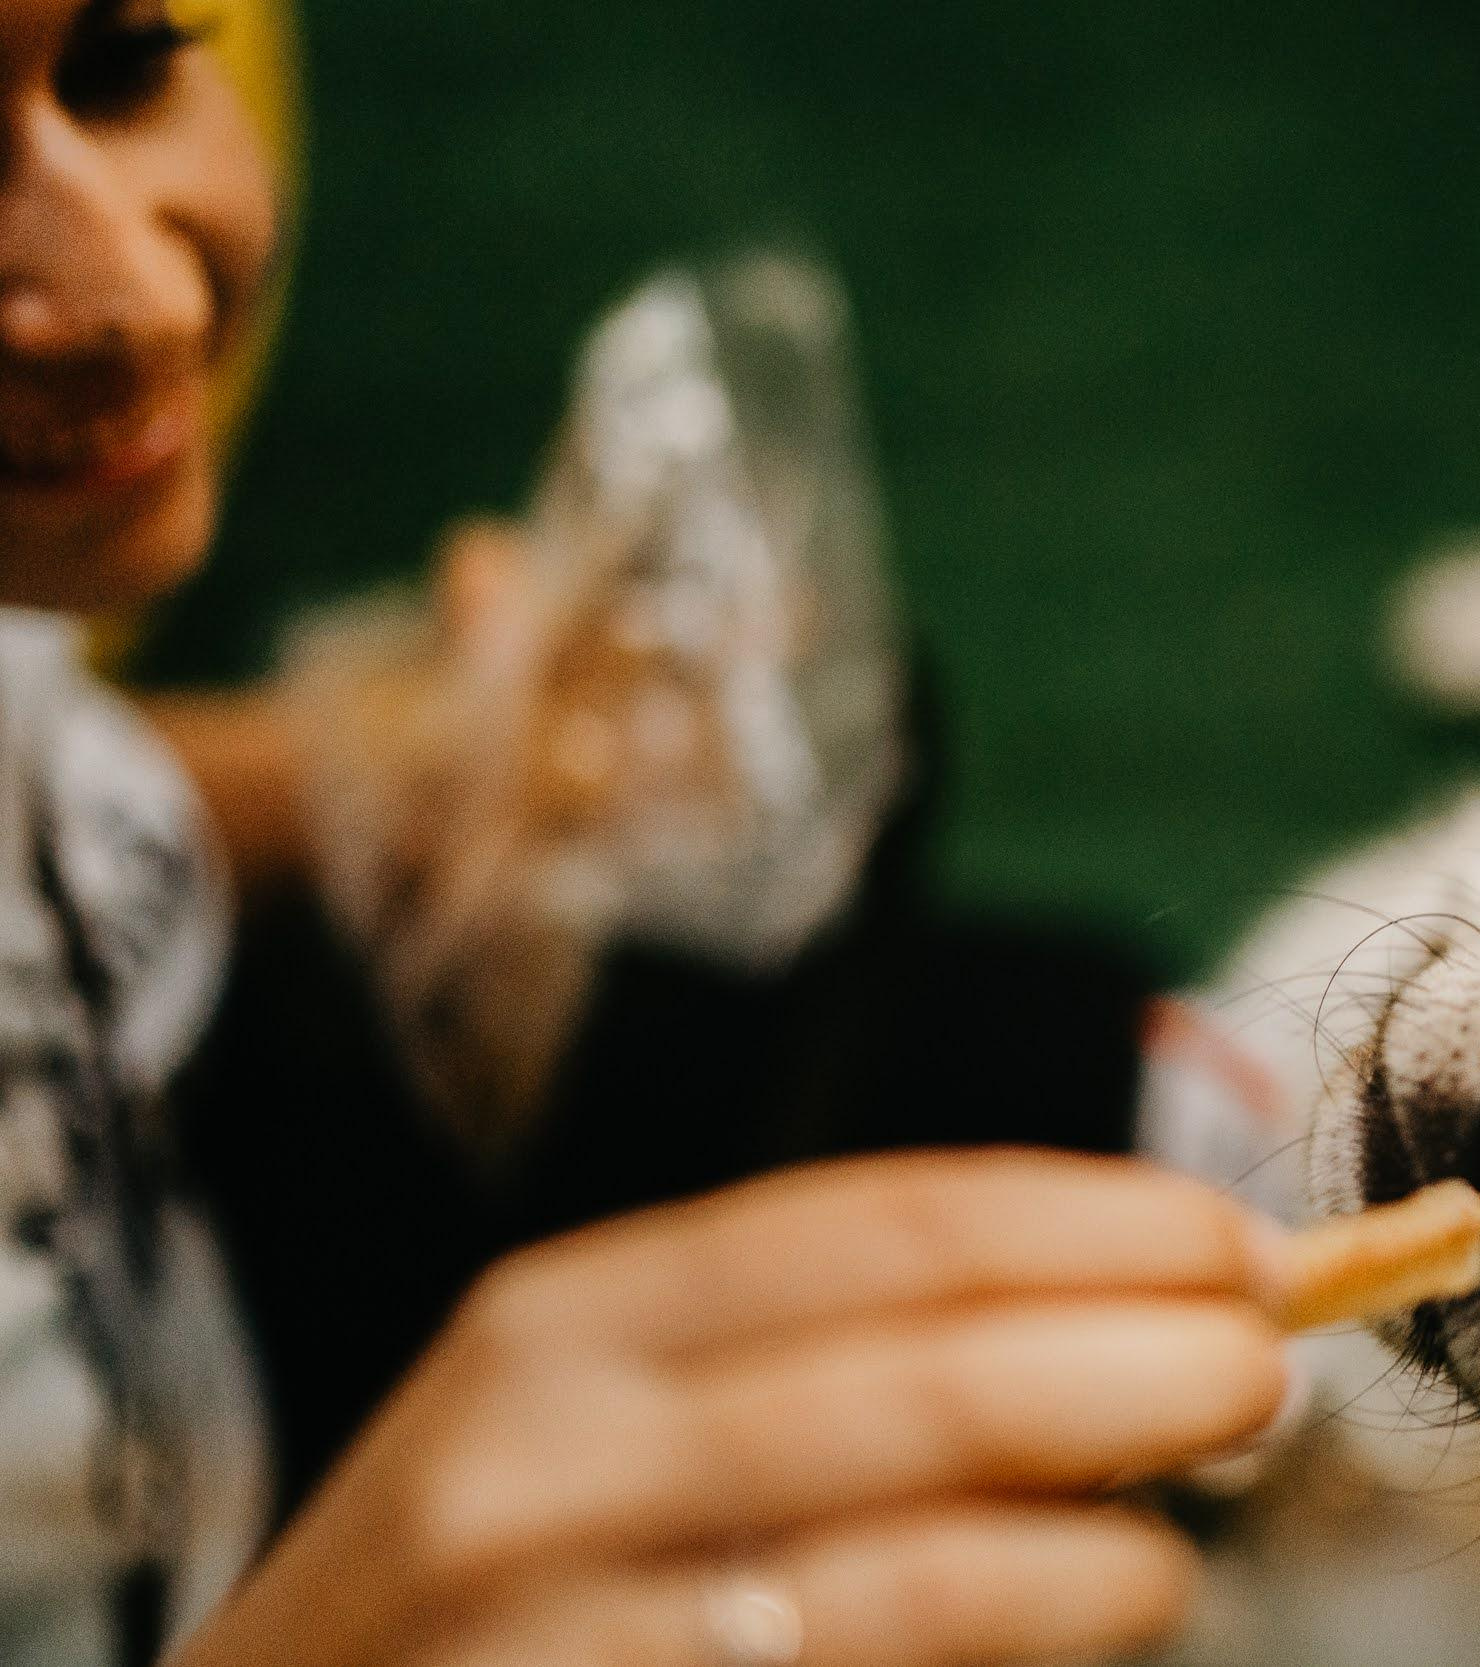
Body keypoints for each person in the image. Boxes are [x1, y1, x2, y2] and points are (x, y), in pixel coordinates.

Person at [0, 4, 1292, 1664]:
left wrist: (387, 753)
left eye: (119, 64)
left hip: (177, 1349)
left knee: (989, 990)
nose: (145, 300)